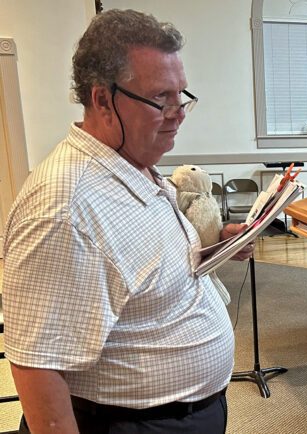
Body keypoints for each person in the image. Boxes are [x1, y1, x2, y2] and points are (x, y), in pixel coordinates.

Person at [2, 9, 254, 434]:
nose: (179, 112)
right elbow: (37, 367)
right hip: (128, 423)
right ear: (102, 99)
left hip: (184, 412)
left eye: (182, 95)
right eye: (161, 98)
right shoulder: (65, 206)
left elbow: (142, 271)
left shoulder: (133, 162)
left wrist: (215, 248)